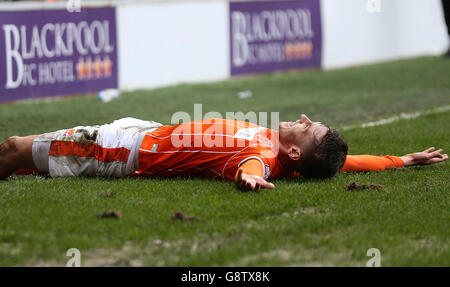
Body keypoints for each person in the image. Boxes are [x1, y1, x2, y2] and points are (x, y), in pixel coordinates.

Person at [0, 115, 447, 191]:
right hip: (144, 131)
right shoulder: (288, 152)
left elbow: (248, 168)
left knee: (14, 149)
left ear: (292, 154)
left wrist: (248, 179)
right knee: (26, 166)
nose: (306, 119)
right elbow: (350, 161)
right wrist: (403, 160)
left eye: (310, 129)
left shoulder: (263, 158)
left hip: (120, 152)